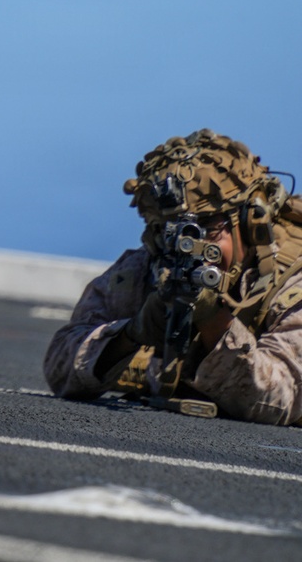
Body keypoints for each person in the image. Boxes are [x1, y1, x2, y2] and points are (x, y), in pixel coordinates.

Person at [44, 129, 302, 423]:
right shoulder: (144, 269)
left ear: (250, 221)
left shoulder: (291, 278)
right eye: (168, 231)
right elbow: (59, 366)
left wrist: (213, 322)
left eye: (207, 227)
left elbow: (283, 396)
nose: (191, 246)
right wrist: (131, 334)